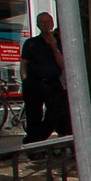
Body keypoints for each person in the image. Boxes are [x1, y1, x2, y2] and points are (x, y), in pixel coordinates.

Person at [19, 11, 69, 143]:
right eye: (43, 22)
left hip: (52, 83)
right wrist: (24, 80)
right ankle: (34, 146)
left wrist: (54, 47)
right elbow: (24, 63)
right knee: (33, 115)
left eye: (48, 22)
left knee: (55, 114)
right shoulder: (31, 43)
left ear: (52, 24)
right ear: (38, 25)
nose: (46, 25)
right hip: (34, 83)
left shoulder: (60, 42)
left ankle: (34, 140)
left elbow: (63, 64)